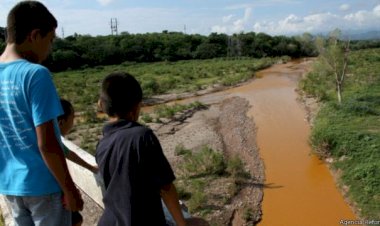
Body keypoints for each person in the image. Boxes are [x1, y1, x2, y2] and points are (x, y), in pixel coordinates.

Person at [0, 1, 83, 226]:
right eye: (50, 40)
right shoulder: (36, 74)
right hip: (43, 186)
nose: (49, 49)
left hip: (9, 185)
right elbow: (47, 143)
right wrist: (70, 189)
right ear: (35, 35)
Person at [96, 72, 188, 226]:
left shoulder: (102, 143)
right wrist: (182, 224)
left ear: (103, 106)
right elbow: (166, 187)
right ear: (137, 107)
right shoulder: (142, 136)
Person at [58, 98, 99, 226]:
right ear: (61, 122)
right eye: (72, 117)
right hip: (50, 194)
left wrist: (90, 167)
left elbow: (69, 154)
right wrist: (70, 192)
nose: (73, 122)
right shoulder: (51, 142)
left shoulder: (48, 138)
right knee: (75, 221)